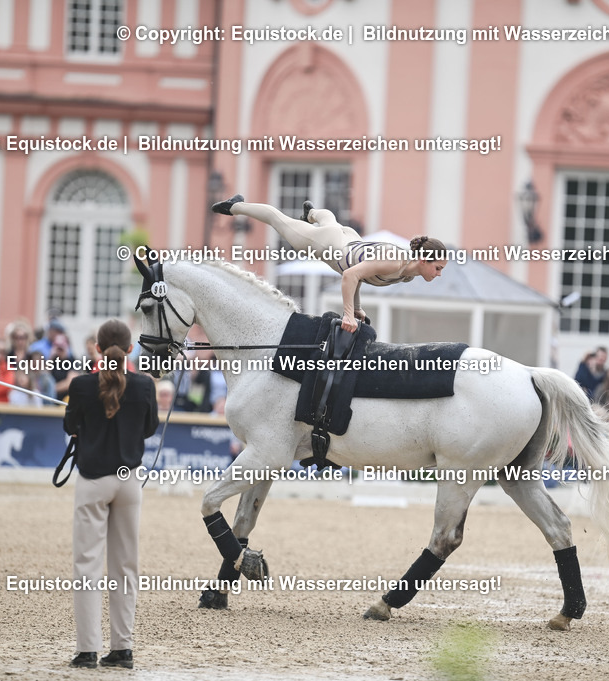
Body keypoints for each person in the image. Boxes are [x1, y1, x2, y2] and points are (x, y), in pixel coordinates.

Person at [64, 319, 159, 669]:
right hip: (129, 481)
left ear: (97, 350)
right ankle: (122, 647)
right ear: (130, 350)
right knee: (125, 566)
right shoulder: (145, 386)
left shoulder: (81, 385)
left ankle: (88, 649)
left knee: (87, 565)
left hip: (93, 480)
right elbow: (149, 429)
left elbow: (71, 426)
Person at [212, 195, 447, 333]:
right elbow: (349, 276)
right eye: (437, 268)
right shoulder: (395, 263)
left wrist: (356, 308)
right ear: (424, 259)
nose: (438, 274)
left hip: (349, 240)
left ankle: (313, 213)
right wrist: (348, 315)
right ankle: (236, 205)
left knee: (330, 221)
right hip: (331, 245)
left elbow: (361, 273)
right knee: (279, 220)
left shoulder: (408, 272)